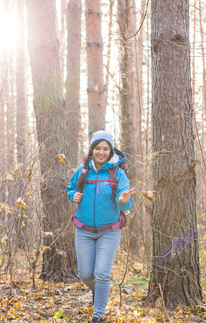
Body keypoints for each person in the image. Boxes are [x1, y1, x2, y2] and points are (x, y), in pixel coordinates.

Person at [66, 131, 135, 323]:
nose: (101, 152)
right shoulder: (82, 170)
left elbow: (125, 201)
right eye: (97, 148)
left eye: (105, 149)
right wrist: (73, 196)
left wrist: (123, 200)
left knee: (102, 273)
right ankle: (99, 292)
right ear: (92, 149)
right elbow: (70, 188)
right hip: (83, 230)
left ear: (111, 150)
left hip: (109, 231)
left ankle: (98, 315)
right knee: (86, 274)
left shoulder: (117, 173)